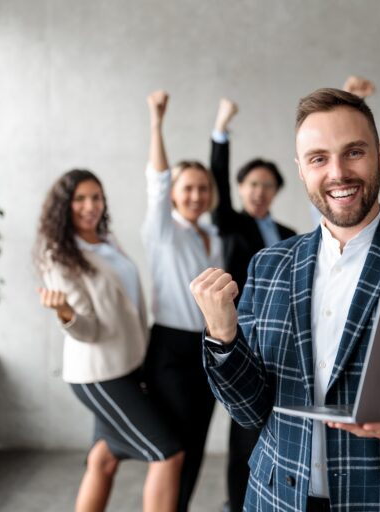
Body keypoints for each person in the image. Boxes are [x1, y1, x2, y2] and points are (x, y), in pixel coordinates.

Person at [190, 88, 380, 511]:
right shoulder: (269, 264)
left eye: (354, 152)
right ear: (302, 170)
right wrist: (223, 336)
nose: (338, 172)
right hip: (277, 498)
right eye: (319, 158)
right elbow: (249, 410)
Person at [35, 169, 184, 512]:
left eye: (96, 197)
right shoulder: (59, 257)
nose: (91, 206)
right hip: (99, 374)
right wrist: (65, 314)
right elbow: (89, 331)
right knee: (168, 453)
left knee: (103, 460)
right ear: (64, 206)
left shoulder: (106, 241)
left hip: (128, 365)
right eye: (80, 199)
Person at [208, 100, 297, 512]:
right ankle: (236, 502)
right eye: (252, 185)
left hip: (282, 336)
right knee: (243, 425)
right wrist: (221, 130)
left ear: (277, 191)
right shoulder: (231, 222)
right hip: (242, 334)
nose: (259, 192)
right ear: (242, 190)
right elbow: (218, 182)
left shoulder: (288, 233)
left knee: (276, 421)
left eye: (267, 185)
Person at [142, 90, 224, 511]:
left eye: (203, 188)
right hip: (171, 348)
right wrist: (157, 123)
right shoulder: (163, 232)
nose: (196, 195)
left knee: (194, 446)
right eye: (187, 188)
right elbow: (156, 182)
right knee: (170, 449)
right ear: (174, 194)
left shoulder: (210, 235)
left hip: (206, 349)